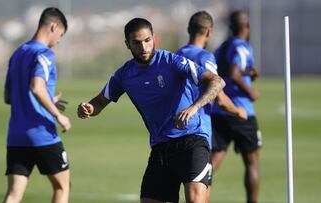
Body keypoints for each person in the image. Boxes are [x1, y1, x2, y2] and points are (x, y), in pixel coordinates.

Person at [77, 17, 225, 203]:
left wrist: (194, 107)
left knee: (195, 199)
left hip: (192, 141)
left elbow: (217, 81)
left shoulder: (172, 61)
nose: (144, 47)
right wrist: (89, 108)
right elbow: (99, 102)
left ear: (154, 38)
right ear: (127, 44)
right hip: (161, 147)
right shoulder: (124, 75)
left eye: (147, 40)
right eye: (137, 43)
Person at [175, 10, 248, 202]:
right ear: (208, 32)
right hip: (197, 133)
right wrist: (238, 111)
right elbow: (219, 95)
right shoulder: (205, 57)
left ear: (189, 29)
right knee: (201, 197)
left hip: (174, 133)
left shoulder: (176, 55)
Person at [3, 7, 71, 203]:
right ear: (53, 26)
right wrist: (58, 115)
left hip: (16, 135)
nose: (59, 40)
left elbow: (9, 96)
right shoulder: (45, 54)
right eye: (61, 35)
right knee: (62, 186)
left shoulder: (18, 53)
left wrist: (50, 101)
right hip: (42, 134)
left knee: (14, 194)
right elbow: (36, 87)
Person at [211, 10, 262, 203]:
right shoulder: (242, 46)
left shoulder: (221, 48)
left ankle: (196, 195)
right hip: (241, 112)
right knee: (251, 162)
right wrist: (250, 91)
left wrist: (248, 71)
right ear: (246, 26)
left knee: (213, 160)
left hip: (219, 110)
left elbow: (225, 71)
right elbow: (233, 72)